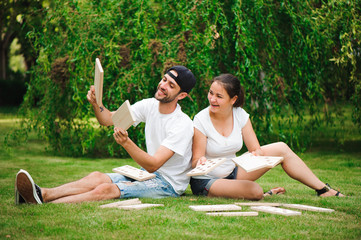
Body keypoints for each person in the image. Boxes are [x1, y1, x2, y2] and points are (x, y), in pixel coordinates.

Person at [15, 65, 196, 204]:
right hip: (148, 173)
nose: (163, 85)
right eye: (164, 79)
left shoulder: (182, 124)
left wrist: (126, 143)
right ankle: (43, 194)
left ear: (181, 96)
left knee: (105, 189)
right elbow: (108, 119)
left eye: (171, 85)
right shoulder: (148, 105)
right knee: (97, 177)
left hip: (167, 184)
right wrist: (96, 103)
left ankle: (40, 204)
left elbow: (153, 165)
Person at [190, 73, 344, 200]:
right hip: (208, 180)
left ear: (233, 99)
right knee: (255, 191)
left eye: (219, 96)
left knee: (281, 148)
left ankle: (323, 189)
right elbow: (195, 161)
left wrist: (257, 155)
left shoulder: (240, 115)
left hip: (234, 172)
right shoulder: (201, 119)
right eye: (211, 93)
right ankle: (261, 193)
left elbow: (255, 149)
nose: (212, 99)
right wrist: (201, 161)